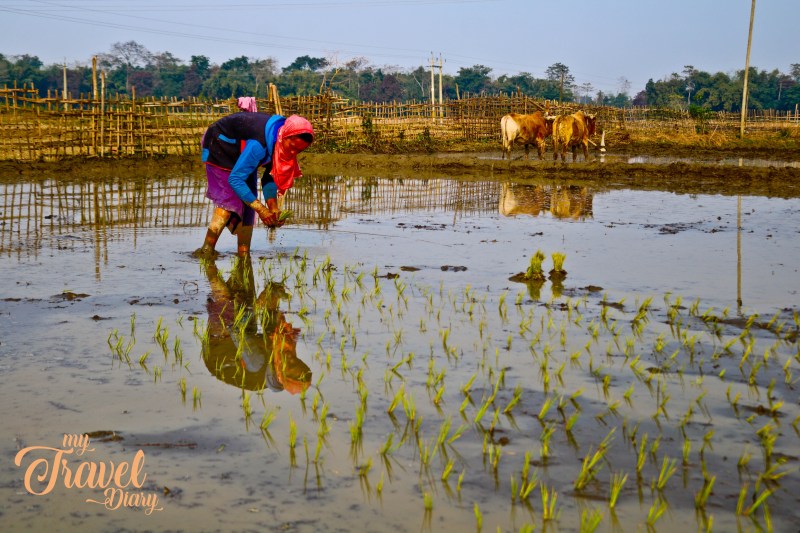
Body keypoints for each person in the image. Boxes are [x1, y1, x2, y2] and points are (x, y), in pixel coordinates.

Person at [194, 112, 314, 258]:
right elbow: (236, 179)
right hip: (221, 144)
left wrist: (273, 208)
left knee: (249, 204)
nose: (293, 153)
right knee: (229, 200)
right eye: (292, 146)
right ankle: (207, 249)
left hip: (243, 150)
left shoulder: (281, 144)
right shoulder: (260, 144)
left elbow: (269, 176)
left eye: (299, 151)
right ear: (285, 137)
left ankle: (243, 254)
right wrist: (262, 210)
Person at [201, 256, 312, 394]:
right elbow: (269, 316)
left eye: (289, 364)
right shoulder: (282, 350)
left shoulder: (256, 363)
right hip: (246, 341)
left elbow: (235, 328)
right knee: (244, 273)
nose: (290, 358)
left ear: (279, 374)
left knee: (226, 301)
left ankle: (206, 259)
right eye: (295, 360)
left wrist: (256, 306)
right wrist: (273, 294)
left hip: (219, 352)